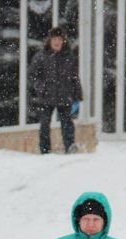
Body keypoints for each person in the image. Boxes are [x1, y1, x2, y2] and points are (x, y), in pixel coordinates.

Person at [29, 26, 83, 154]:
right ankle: (44, 149)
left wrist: (77, 96)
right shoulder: (41, 57)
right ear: (50, 41)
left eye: (59, 39)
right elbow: (32, 76)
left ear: (63, 41)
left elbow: (74, 77)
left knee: (67, 123)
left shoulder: (69, 57)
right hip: (46, 97)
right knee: (44, 124)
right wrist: (41, 88)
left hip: (65, 96)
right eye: (54, 39)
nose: (57, 42)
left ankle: (70, 146)